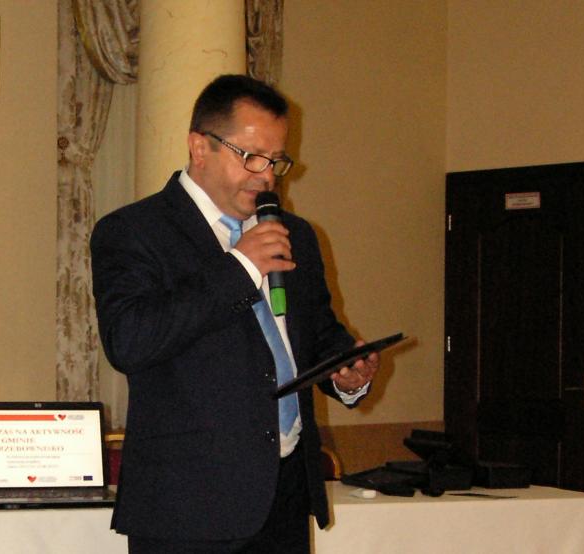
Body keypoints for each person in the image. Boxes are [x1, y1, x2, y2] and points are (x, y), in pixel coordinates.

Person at [90, 74, 379, 554]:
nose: (266, 176)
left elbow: (315, 336)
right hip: (188, 509)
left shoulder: (294, 234)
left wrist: (346, 372)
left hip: (285, 496)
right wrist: (241, 267)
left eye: (276, 160)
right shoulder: (133, 231)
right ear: (199, 147)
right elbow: (130, 341)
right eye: (251, 156)